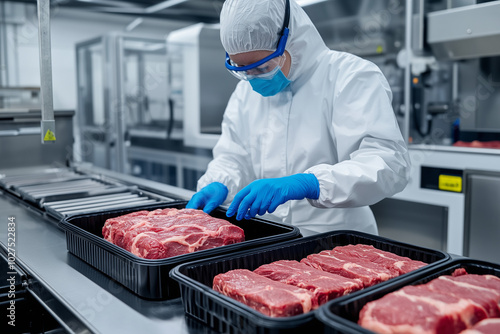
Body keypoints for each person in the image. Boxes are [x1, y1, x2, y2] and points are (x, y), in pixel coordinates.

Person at [186, 0, 410, 235]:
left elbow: (387, 165)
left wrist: (311, 183)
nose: (253, 78)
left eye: (262, 68)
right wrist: (220, 181)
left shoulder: (350, 77)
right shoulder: (244, 93)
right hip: (272, 236)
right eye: (242, 70)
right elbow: (233, 156)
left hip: (338, 239)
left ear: (291, 40)